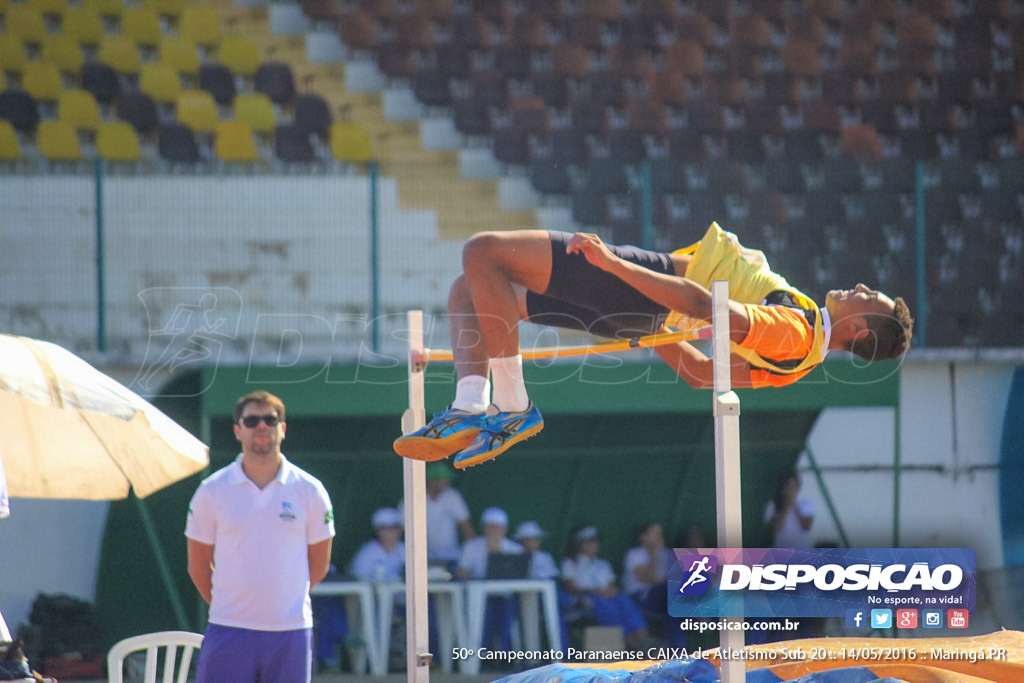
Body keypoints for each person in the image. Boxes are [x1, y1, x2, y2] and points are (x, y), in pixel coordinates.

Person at [394, 222, 914, 469]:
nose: (861, 288)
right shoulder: (802, 355)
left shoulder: (796, 332)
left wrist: (618, 266)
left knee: (482, 251)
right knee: (471, 288)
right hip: (639, 313)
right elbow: (701, 374)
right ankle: (469, 405)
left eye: (870, 298)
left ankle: (509, 407)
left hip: (638, 285)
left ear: (861, 331)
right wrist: (648, 331)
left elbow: (705, 307)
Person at [185, 390, 335, 683]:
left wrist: (281, 603)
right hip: (228, 628)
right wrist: (230, 607)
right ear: (238, 430)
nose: (262, 426)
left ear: (283, 428)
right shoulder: (211, 490)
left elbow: (319, 565)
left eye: (270, 419)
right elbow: (198, 565)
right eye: (252, 420)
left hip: (290, 630)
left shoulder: (310, 490)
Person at [560, 525, 648, 651]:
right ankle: (630, 643)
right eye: (590, 541)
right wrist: (597, 591)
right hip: (584, 600)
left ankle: (642, 639)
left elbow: (611, 585)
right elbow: (572, 587)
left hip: (607, 596)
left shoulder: (603, 564)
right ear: (580, 544)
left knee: (624, 600)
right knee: (604, 604)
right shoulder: (570, 563)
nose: (595, 544)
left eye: (596, 541)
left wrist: (609, 591)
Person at [457, 507, 524, 655]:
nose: (494, 531)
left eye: (497, 527)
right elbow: (462, 571)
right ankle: (482, 655)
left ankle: (503, 655)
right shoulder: (472, 546)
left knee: (508, 611)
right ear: (484, 528)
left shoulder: (515, 549)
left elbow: (520, 575)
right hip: (478, 597)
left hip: (505, 596)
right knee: (482, 616)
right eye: (490, 527)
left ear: (504, 529)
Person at [397, 461, 475, 572]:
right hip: (422, 560)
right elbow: (398, 530)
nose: (447, 482)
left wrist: (468, 557)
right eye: (444, 479)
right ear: (432, 480)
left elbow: (467, 528)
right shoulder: (412, 497)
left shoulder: (452, 496)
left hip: (452, 558)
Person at [623, 522, 685, 648]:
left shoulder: (667, 553)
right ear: (643, 537)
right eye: (655, 533)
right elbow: (649, 578)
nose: (660, 537)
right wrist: (653, 554)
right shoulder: (635, 554)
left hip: (664, 598)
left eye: (660, 533)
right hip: (640, 598)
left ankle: (679, 649)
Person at [764, 469, 814, 549]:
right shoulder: (772, 505)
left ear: (798, 487)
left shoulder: (806, 503)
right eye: (788, 485)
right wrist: (786, 506)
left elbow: (806, 526)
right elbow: (776, 528)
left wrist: (795, 507)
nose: (790, 489)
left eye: (793, 486)